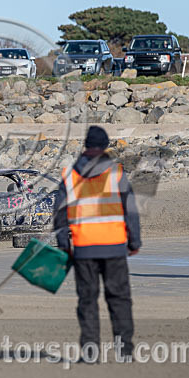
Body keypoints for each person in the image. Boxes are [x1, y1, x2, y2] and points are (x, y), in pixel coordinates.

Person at [54, 126, 141, 361]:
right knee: (119, 299)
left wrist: (64, 245)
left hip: (84, 249)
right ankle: (124, 351)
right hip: (114, 246)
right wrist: (134, 241)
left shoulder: (70, 176)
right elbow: (130, 210)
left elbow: (60, 217)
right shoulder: (116, 173)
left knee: (87, 300)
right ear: (105, 147)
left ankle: (90, 352)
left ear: (85, 145)